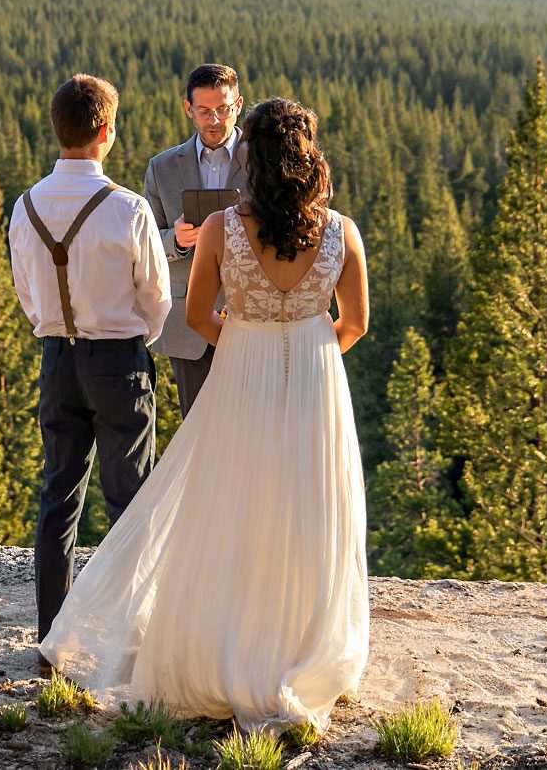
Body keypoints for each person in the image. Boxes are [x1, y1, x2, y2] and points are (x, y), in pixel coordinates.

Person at [40, 97, 370, 733]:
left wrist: (249, 339)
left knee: (232, 505)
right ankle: (302, 644)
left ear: (251, 157)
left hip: (239, 373)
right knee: (308, 507)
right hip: (315, 378)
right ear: (310, 160)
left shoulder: (221, 229)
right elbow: (353, 323)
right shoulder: (343, 232)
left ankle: (228, 641)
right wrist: (306, 346)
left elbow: (195, 319)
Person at [9, 74, 172, 670]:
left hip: (57, 360)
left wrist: (61, 330)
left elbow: (28, 295)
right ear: (106, 132)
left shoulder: (25, 207)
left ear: (60, 130)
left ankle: (51, 637)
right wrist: (133, 343)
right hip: (117, 362)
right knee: (129, 499)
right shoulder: (128, 208)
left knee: (59, 496)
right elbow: (156, 298)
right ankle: (132, 636)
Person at [143, 64, 248, 419]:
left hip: (253, 318)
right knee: (198, 432)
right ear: (188, 109)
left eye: (223, 109)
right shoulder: (161, 168)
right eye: (204, 111)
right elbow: (145, 243)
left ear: (238, 105)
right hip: (189, 326)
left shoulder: (265, 161)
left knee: (253, 430)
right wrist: (177, 239)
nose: (214, 119)